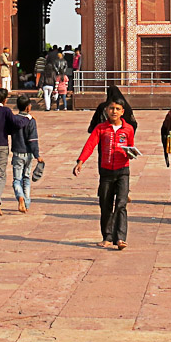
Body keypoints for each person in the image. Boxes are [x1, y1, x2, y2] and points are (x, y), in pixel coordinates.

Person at [74, 97, 136, 249]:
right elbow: (90, 145)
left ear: (122, 112)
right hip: (106, 172)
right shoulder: (101, 128)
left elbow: (131, 147)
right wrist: (80, 162)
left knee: (121, 204)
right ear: (106, 110)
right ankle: (107, 236)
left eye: (117, 109)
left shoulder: (128, 129)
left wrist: (130, 154)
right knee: (105, 204)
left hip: (123, 171)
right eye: (111, 108)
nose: (114, 111)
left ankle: (120, 238)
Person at [10, 95, 43, 213]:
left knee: (17, 179)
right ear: (28, 107)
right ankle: (27, 203)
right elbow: (33, 139)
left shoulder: (13, 119)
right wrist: (37, 155)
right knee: (26, 178)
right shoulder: (31, 121)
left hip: (17, 152)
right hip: (28, 153)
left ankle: (20, 197)